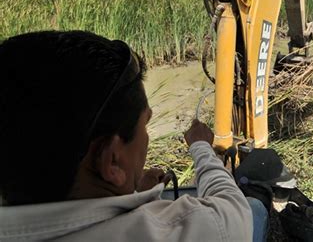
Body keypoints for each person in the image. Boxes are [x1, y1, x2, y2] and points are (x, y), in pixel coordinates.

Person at [0, 31, 260, 241]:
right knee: (257, 210)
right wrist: (202, 147)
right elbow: (234, 211)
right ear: (111, 161)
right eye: (145, 125)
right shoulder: (180, 229)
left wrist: (132, 191)